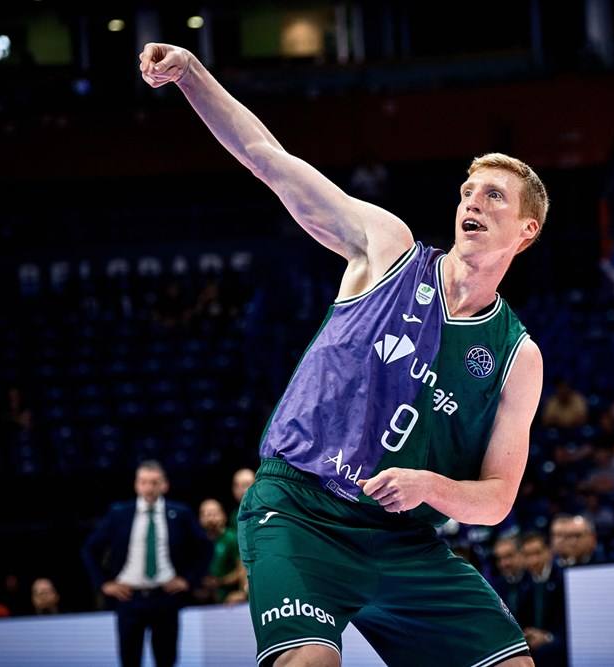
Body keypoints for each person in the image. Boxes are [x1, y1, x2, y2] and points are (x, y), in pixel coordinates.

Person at [139, 42, 545, 667]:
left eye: (494, 196)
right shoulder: (389, 249)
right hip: (301, 508)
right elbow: (267, 161)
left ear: (527, 230)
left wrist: (428, 485)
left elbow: (496, 500)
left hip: (403, 539)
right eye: (468, 191)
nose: (472, 201)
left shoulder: (518, 357)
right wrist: (192, 75)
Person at [81, 461, 212, 667]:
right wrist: (104, 584)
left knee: (166, 659)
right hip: (129, 599)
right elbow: (90, 549)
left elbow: (205, 547)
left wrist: (188, 580)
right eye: (143, 482)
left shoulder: (180, 513)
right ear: (136, 485)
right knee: (129, 660)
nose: (149, 488)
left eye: (154, 482)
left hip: (165, 599)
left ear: (164, 485)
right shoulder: (119, 514)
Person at [516, 534, 567, 667]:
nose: (533, 560)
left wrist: (548, 637)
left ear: (549, 551)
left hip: (560, 646)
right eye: (528, 555)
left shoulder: (563, 578)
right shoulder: (523, 583)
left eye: (537, 553)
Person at [197, 498, 242, 604]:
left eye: (215, 513)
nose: (211, 518)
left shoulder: (232, 538)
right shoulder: (197, 541)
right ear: (200, 519)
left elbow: (242, 568)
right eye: (206, 514)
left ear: (223, 516)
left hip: (230, 595)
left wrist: (221, 582)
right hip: (204, 597)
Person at [488, 535, 528, 620]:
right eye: (500, 559)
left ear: (521, 554)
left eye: (509, 556)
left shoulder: (533, 580)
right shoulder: (495, 588)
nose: (504, 563)